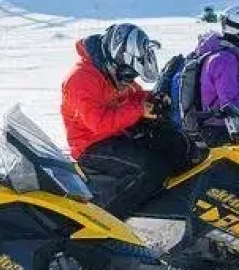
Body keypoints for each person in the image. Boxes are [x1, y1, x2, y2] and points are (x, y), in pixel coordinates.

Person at [61, 23, 193, 218]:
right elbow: (99, 124)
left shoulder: (113, 73)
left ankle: (164, 213)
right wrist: (139, 109)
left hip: (118, 134)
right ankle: (106, 219)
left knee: (175, 147)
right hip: (91, 146)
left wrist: (153, 99)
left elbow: (134, 94)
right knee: (148, 168)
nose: (130, 79)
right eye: (129, 74)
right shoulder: (81, 79)